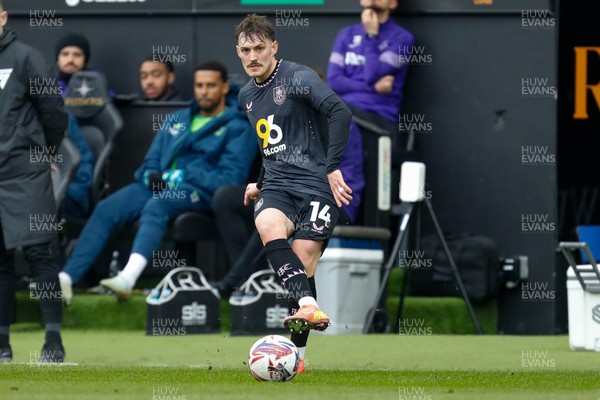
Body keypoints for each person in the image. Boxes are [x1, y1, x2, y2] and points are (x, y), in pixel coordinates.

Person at [58, 61, 256, 304]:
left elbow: (229, 179)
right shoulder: (178, 119)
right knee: (108, 207)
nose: (204, 91)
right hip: (160, 186)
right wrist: (150, 175)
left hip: (200, 192)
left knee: (158, 204)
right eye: (199, 86)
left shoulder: (238, 127)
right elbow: (150, 162)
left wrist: (181, 175)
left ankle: (127, 279)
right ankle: (67, 277)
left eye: (211, 86)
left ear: (224, 88)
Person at [235, 14, 353, 372]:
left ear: (274, 47)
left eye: (259, 48)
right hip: (278, 185)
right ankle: (306, 304)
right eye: (245, 50)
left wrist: (332, 166)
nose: (252, 56)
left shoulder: (298, 78)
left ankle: (297, 359)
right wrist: (258, 179)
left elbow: (339, 111)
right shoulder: (246, 95)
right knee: (268, 225)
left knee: (301, 264)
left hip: (317, 184)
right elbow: (269, 142)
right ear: (238, 53)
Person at [0, 0, 68, 363]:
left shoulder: (26, 58)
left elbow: (54, 114)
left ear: (4, 17)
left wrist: (44, 155)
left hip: (25, 172)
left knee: (41, 253)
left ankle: (53, 341)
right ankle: (2, 345)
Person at [327, 0, 414, 124]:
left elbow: (372, 75)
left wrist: (371, 35)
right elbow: (334, 81)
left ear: (393, 3)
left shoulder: (402, 38)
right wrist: (373, 88)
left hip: (377, 115)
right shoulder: (346, 34)